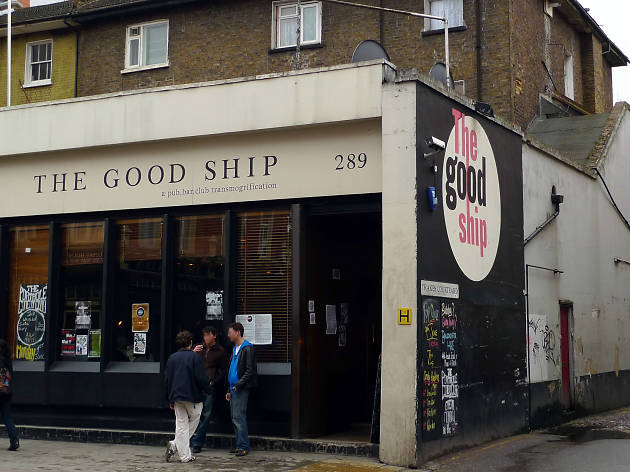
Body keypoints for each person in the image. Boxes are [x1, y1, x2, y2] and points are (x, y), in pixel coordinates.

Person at [164, 331, 211, 463]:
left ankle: (183, 454)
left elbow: (167, 379)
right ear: (190, 342)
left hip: (176, 396)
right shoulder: (195, 357)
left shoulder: (172, 358)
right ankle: (176, 446)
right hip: (192, 395)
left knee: (181, 425)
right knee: (195, 418)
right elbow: (201, 377)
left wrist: (169, 398)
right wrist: (208, 390)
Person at [190, 326, 226, 454]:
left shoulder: (220, 351)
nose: (205, 338)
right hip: (196, 385)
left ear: (214, 336)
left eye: (208, 335)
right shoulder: (198, 348)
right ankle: (188, 440)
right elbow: (188, 362)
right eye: (204, 335)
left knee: (206, 415)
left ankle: (197, 443)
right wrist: (192, 352)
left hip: (209, 386)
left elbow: (222, 371)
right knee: (194, 414)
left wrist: (213, 382)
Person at [225, 322, 257, 457]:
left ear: (238, 332)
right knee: (234, 417)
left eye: (230, 332)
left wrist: (239, 384)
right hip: (233, 388)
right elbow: (232, 369)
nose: (228, 335)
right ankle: (239, 445)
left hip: (240, 388)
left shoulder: (247, 348)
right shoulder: (235, 348)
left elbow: (250, 370)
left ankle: (243, 446)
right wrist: (229, 388)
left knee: (239, 417)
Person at [0, 339, 18, 451]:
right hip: (7, 392)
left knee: (7, 417)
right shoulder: (8, 360)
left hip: (0, 391)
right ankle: (14, 440)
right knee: (7, 417)